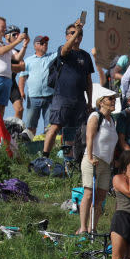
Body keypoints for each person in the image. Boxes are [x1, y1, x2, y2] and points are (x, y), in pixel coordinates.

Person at [42, 20, 94, 161]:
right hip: (63, 96)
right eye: (72, 33)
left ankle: (69, 160)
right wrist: (76, 30)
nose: (76, 35)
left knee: (72, 132)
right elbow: (65, 51)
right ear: (66, 36)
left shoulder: (86, 56)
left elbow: (89, 81)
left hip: (79, 99)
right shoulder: (63, 49)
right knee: (55, 127)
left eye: (79, 33)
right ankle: (44, 157)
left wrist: (89, 101)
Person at [78, 87, 119, 235]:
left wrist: (113, 160)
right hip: (93, 159)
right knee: (89, 193)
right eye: (110, 98)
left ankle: (92, 228)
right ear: (101, 102)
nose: (113, 101)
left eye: (114, 98)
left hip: (106, 163)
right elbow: (89, 137)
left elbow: (111, 142)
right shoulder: (95, 116)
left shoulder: (112, 120)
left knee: (101, 196)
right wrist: (89, 156)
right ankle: (83, 227)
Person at [0, 18, 29, 116]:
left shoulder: (6, 44)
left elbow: (17, 57)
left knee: (1, 108)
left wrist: (24, 45)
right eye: (2, 27)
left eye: (5, 27)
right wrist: (17, 41)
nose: (4, 29)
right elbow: (0, 51)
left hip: (7, 79)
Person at [24, 35, 58, 135]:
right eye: (42, 43)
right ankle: (29, 147)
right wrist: (21, 91)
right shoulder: (28, 60)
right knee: (31, 125)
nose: (45, 45)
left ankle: (47, 148)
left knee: (49, 126)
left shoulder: (52, 57)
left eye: (46, 43)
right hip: (33, 96)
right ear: (35, 46)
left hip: (49, 96)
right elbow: (22, 77)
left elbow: (64, 51)